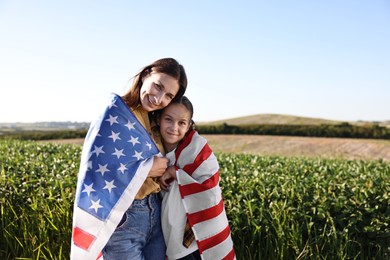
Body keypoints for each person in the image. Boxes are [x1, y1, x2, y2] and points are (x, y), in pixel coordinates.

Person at [71, 58, 188, 260]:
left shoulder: (154, 119)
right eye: (157, 86)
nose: (159, 98)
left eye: (168, 95)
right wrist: (148, 169)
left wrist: (166, 171)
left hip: (156, 215)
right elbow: (97, 167)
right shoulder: (115, 114)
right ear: (145, 76)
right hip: (124, 218)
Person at [155, 96, 236, 260]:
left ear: (189, 125)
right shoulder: (153, 150)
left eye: (181, 123)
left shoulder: (197, 149)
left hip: (196, 236)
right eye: (168, 119)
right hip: (168, 231)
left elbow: (209, 186)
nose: (174, 127)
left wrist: (176, 173)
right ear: (158, 119)